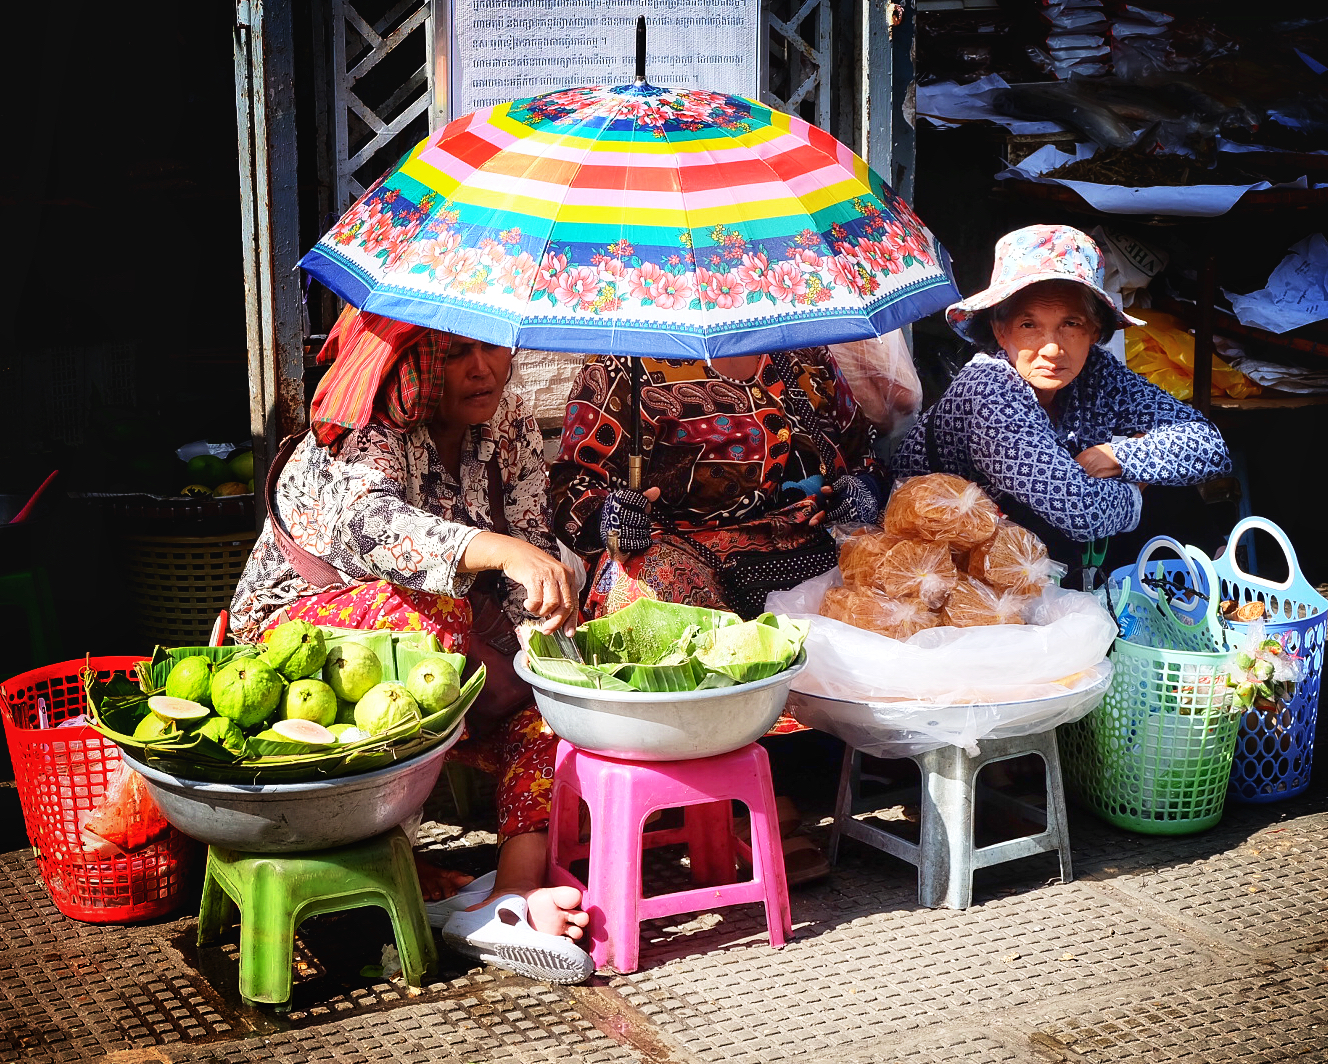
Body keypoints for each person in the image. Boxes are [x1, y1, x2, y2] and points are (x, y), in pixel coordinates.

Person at [229, 305, 593, 984]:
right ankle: (392, 853)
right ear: (419, 363)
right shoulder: (367, 427)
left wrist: (544, 633)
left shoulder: (506, 420)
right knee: (433, 615)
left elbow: (531, 543)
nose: (481, 367)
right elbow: (374, 529)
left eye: (491, 347)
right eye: (456, 353)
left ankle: (510, 892)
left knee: (554, 686)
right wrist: (499, 551)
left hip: (440, 641)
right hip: (300, 647)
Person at [549, 346, 887, 883]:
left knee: (898, 570)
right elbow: (573, 488)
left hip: (805, 544)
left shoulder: (805, 356)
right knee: (646, 581)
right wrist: (612, 517)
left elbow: (862, 453)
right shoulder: (627, 367)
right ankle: (746, 796)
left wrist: (861, 489)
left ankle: (858, 762)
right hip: (683, 553)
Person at [892, 224, 1233, 582]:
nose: (1052, 349)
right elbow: (1081, 510)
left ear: (1094, 331)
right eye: (1029, 325)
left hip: (1031, 542)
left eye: (1070, 324)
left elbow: (1208, 445)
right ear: (1000, 330)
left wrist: (1119, 458)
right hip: (940, 562)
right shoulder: (988, 388)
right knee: (1149, 491)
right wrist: (1139, 484)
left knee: (1177, 495)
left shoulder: (1098, 372)